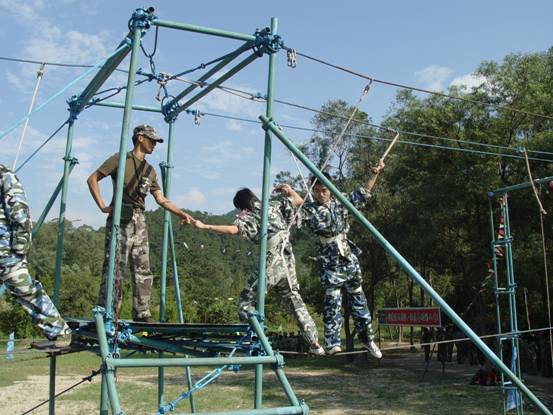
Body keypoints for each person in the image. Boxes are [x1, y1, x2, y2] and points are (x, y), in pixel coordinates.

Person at [189, 187, 325, 356]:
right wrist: (289, 190)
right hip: (288, 263)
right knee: (295, 302)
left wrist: (205, 226)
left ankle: (256, 339)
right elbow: (298, 200)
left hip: (271, 264)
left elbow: (232, 230)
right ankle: (314, 343)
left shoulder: (250, 216)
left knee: (245, 302)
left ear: (242, 207)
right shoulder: (274, 205)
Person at [277, 161, 384, 357]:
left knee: (358, 298)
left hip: (348, 256)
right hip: (329, 260)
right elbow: (298, 204)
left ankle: (367, 339)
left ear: (330, 189)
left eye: (324, 190)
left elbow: (363, 193)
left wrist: (374, 174)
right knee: (332, 300)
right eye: (316, 191)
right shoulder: (310, 210)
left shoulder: (341, 201)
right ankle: (333, 342)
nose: (321, 194)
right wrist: (290, 192)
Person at [87, 124, 192, 322]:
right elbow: (92, 179)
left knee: (142, 268)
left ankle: (142, 313)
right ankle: (108, 311)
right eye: (152, 140)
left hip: (140, 220)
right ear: (140, 138)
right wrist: (102, 206)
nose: (154, 144)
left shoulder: (150, 170)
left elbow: (160, 199)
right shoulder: (120, 159)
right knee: (115, 266)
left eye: (156, 141)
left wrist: (181, 213)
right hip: (121, 218)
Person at [0, 164, 71, 346]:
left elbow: (19, 211)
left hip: (7, 254)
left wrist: (19, 247)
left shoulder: (5, 176)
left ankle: (59, 331)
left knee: (26, 291)